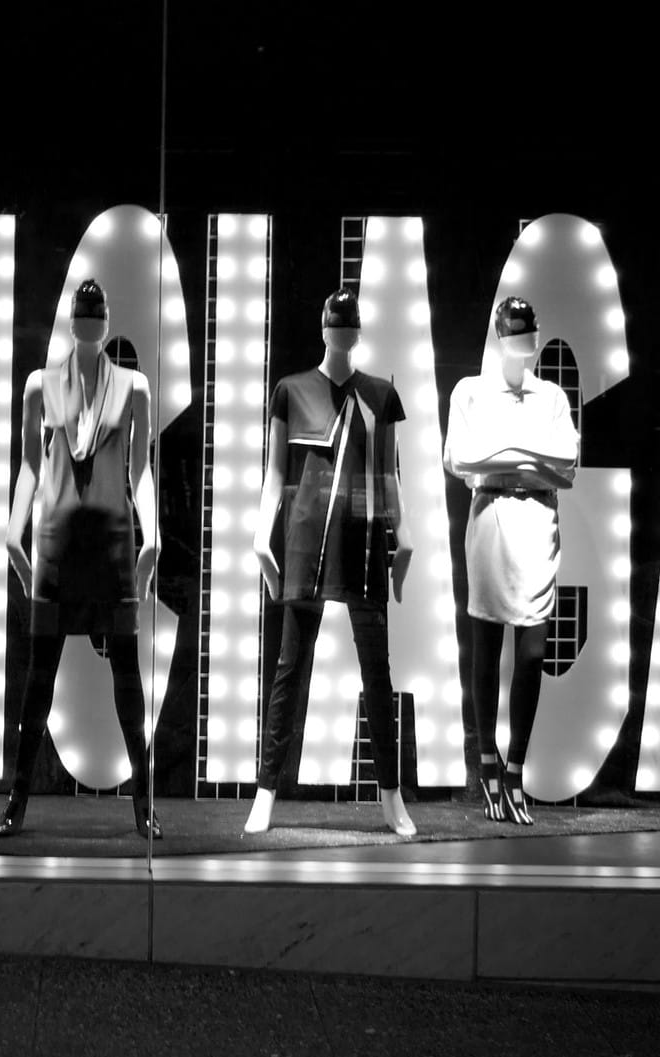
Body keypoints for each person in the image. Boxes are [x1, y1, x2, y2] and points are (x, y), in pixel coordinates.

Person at [0, 279, 162, 839]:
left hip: (113, 546)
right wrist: (12, 531)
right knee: (39, 679)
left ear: (106, 322)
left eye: (97, 311)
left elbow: (139, 469)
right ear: (73, 321)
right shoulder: (40, 385)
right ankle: (17, 798)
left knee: (127, 681)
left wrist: (151, 535)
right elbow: (30, 467)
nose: (90, 319)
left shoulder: (133, 387)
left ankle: (143, 801)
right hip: (59, 546)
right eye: (83, 311)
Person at [245, 287, 416, 837]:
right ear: (323, 329)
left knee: (377, 676)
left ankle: (391, 795)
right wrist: (259, 533)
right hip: (304, 537)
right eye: (334, 322)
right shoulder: (290, 390)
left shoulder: (380, 395)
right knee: (290, 670)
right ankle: (266, 791)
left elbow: (390, 475)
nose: (341, 331)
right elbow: (275, 474)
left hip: (363, 539)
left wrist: (404, 535)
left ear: (357, 331)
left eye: (349, 323)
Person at [443, 296, 577, 825]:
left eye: (528, 333)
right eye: (513, 333)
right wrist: (530, 459)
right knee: (484, 641)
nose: (522, 343)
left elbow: (565, 466)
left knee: (532, 651)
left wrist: (502, 458)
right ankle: (486, 763)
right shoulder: (470, 392)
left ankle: (517, 763)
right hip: (490, 522)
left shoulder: (552, 398)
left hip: (537, 526)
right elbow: (461, 459)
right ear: (500, 336)